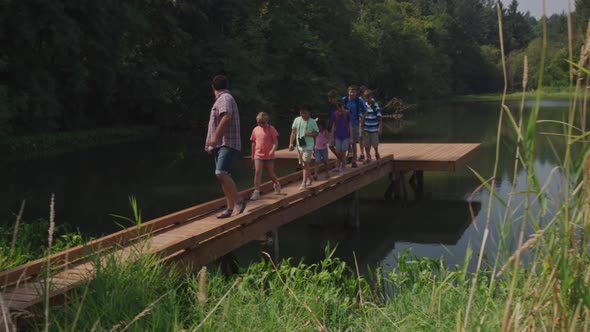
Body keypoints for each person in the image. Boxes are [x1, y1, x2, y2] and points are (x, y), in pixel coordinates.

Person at [205, 74, 247, 218]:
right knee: (224, 176)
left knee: (220, 173)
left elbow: (226, 117)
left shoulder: (224, 98)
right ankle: (229, 208)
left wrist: (215, 138)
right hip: (221, 144)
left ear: (213, 87)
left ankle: (239, 201)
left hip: (226, 142)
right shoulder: (224, 98)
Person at [249, 112, 281, 200]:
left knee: (270, 173)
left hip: (269, 156)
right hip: (258, 155)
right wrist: (252, 156)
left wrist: (273, 150)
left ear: (267, 121)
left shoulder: (271, 129)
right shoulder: (255, 129)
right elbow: (253, 143)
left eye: (263, 122)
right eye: (259, 122)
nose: (261, 124)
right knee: (258, 172)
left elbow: (275, 142)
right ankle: (256, 192)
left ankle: (276, 183)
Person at [289, 105, 318, 189]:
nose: (303, 114)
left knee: (305, 163)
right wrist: (291, 143)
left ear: (309, 113)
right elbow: (293, 132)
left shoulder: (312, 122)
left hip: (308, 146)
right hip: (299, 145)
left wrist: (310, 134)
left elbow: (316, 133)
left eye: (305, 113)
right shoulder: (297, 120)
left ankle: (303, 183)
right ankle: (309, 178)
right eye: (301, 112)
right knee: (303, 164)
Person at [342, 85, 368, 168]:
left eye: (353, 91)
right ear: (348, 92)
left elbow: (365, 111)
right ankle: (347, 157)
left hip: (354, 124)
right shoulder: (344, 100)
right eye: (350, 91)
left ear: (356, 92)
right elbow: (338, 109)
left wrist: (361, 120)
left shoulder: (358, 100)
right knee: (345, 142)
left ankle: (354, 160)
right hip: (344, 125)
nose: (352, 93)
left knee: (353, 142)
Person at [360, 89, 383, 163]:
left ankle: (376, 152)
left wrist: (380, 127)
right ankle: (368, 156)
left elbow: (379, 116)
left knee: (375, 143)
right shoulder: (363, 105)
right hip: (366, 127)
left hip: (374, 128)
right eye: (366, 97)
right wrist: (362, 127)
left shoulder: (375, 105)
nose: (367, 99)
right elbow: (362, 117)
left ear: (371, 97)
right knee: (366, 143)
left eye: (368, 97)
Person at [331, 100, 353, 173]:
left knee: (343, 152)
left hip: (345, 136)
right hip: (338, 136)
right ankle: (338, 166)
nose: (340, 108)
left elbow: (350, 126)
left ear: (344, 106)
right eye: (339, 107)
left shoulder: (347, 114)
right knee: (338, 152)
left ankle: (343, 166)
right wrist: (332, 137)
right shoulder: (335, 114)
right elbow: (333, 126)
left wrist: (351, 138)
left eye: (341, 106)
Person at [326, 90, 339, 157]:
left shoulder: (338, 106)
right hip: (331, 128)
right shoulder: (330, 106)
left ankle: (340, 159)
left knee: (338, 145)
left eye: (331, 98)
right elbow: (329, 117)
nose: (330, 100)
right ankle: (339, 157)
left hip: (337, 128)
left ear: (335, 98)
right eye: (329, 98)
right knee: (330, 145)